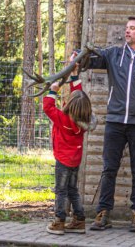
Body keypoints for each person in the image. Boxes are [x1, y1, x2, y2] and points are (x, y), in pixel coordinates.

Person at [82, 16, 135, 232]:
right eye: (126, 28)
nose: (127, 31)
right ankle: (103, 213)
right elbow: (89, 61)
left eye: (132, 28)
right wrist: (79, 56)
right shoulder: (114, 54)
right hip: (115, 120)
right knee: (109, 168)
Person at [43, 64, 95, 235]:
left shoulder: (63, 119)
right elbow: (79, 96)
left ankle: (59, 222)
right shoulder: (84, 120)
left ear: (70, 105)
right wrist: (74, 77)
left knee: (60, 190)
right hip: (75, 161)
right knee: (73, 190)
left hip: (63, 161)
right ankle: (79, 220)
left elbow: (48, 107)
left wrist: (53, 90)